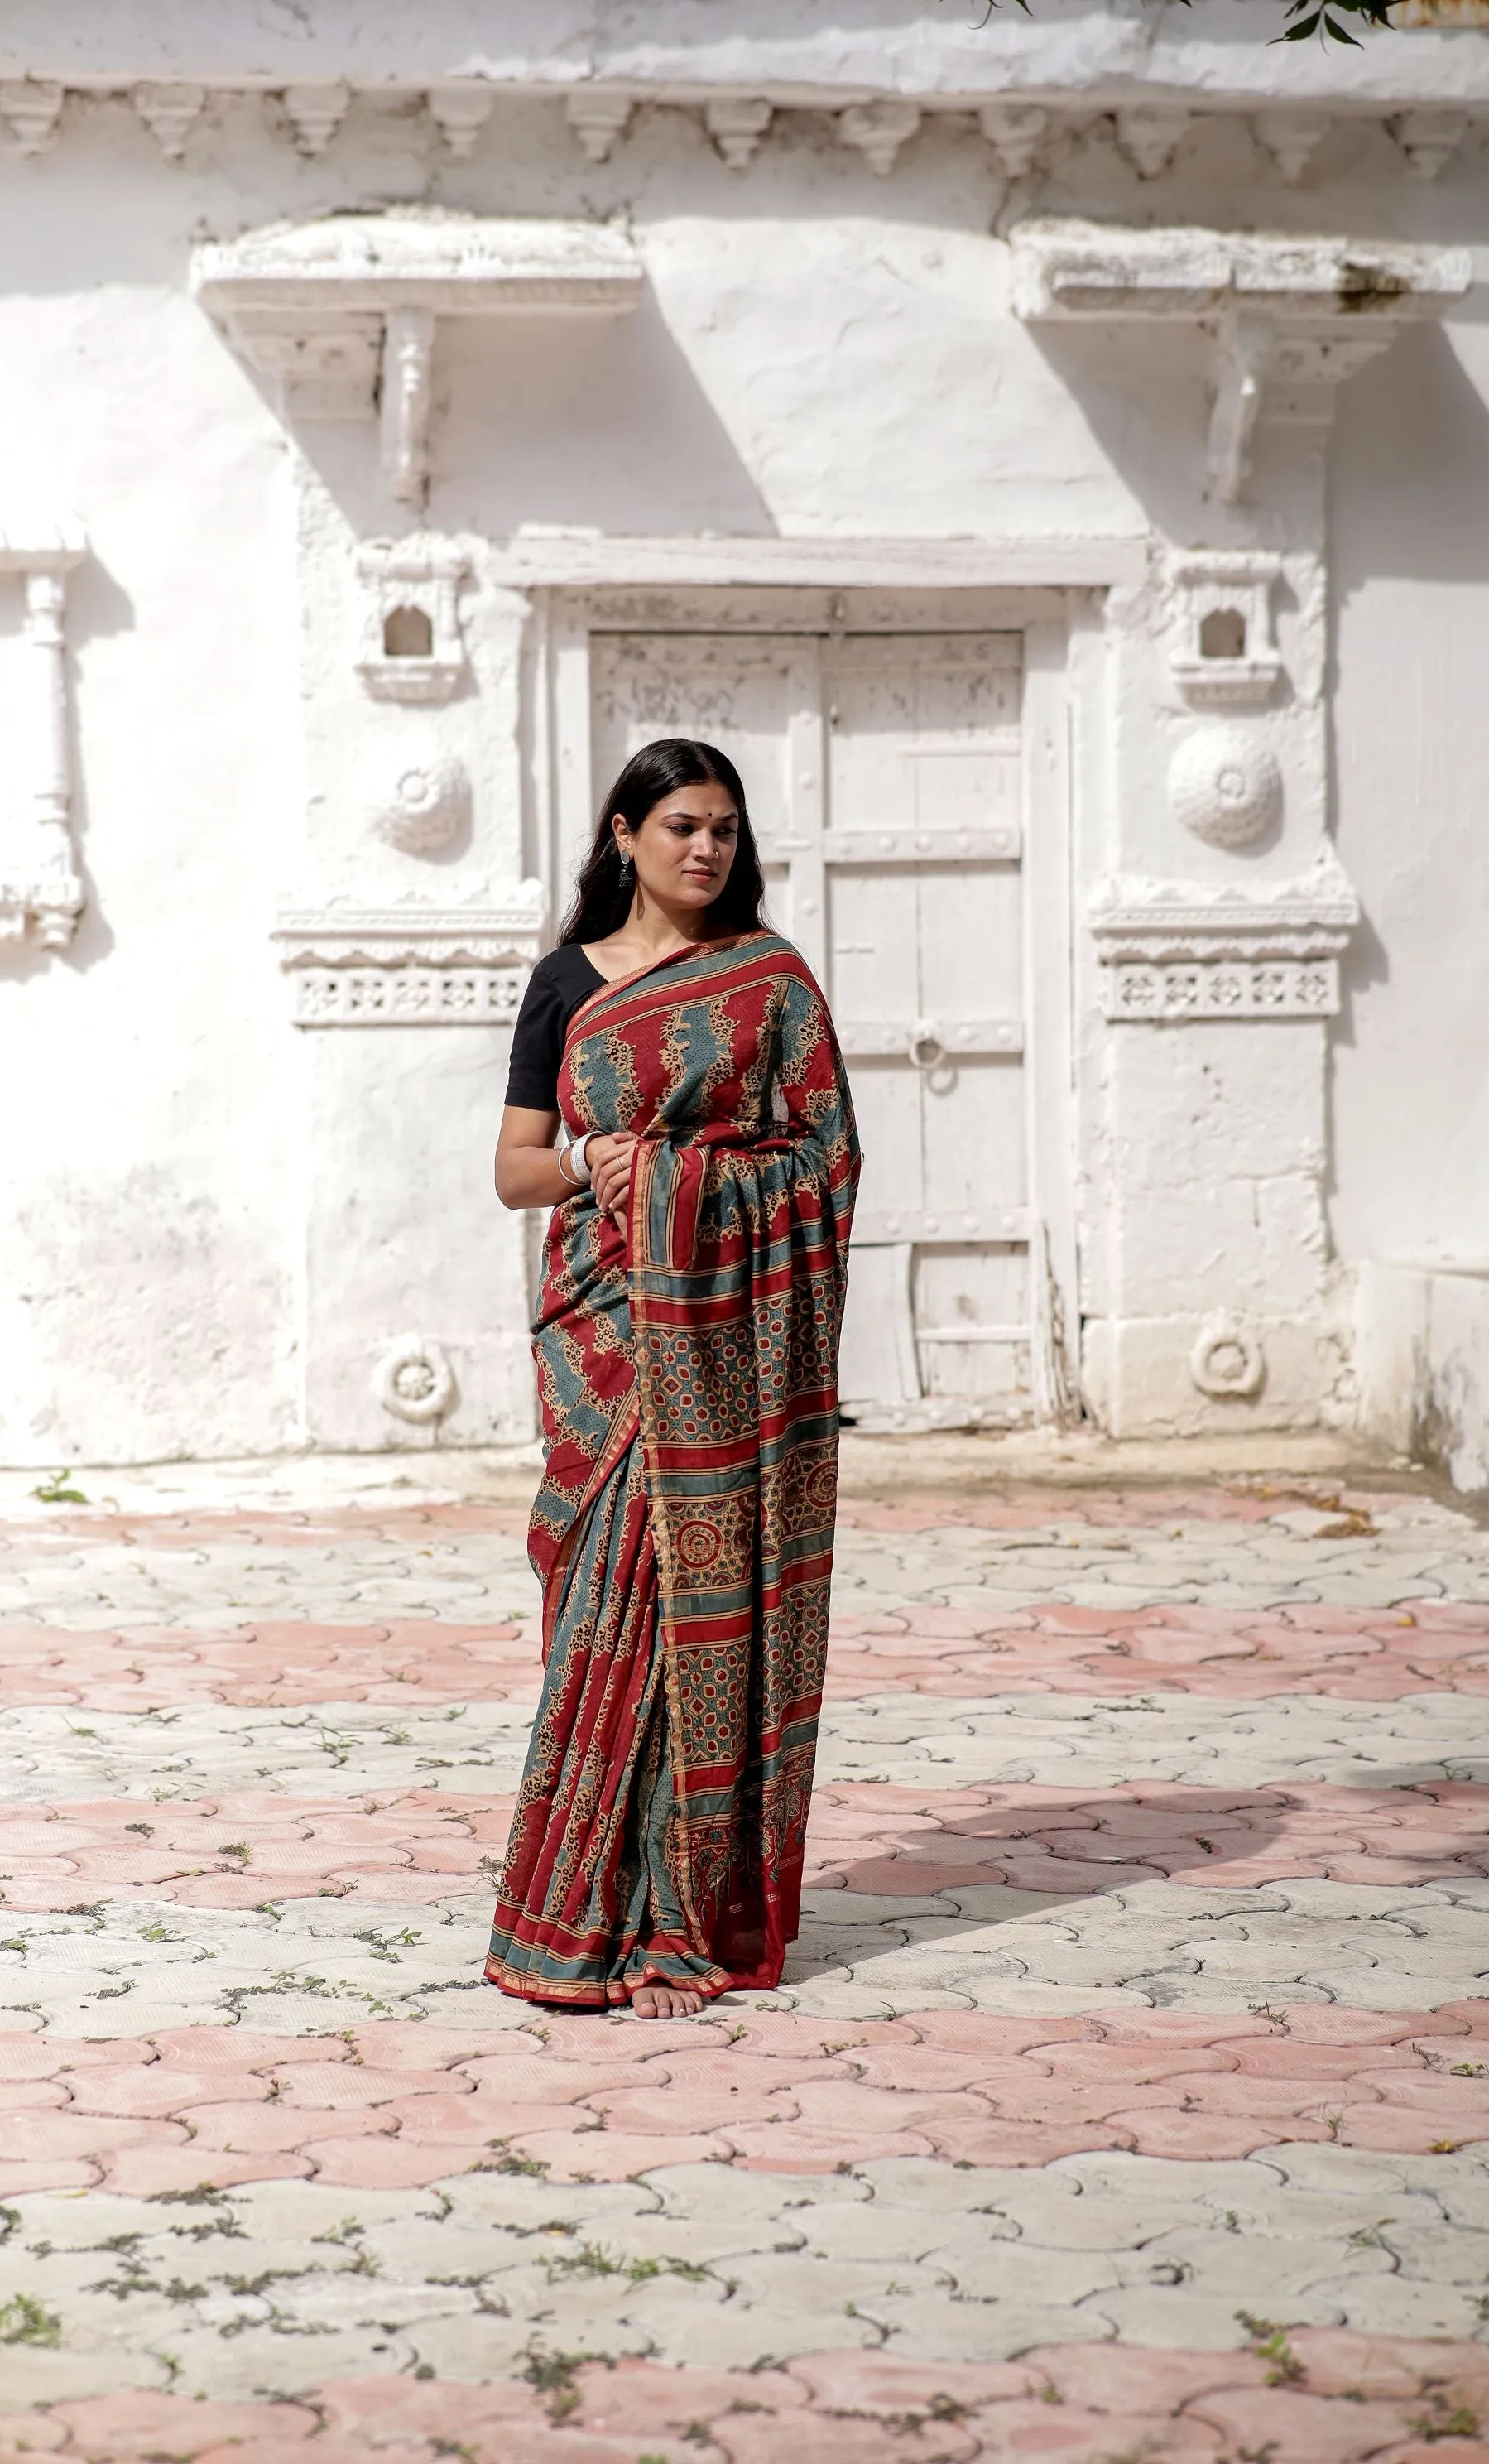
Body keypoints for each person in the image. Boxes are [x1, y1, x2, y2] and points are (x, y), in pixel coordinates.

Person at [488, 737, 860, 2017]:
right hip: (602, 1337)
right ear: (626, 835)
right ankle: (576, 1916)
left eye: (726, 830)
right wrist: (609, 1165)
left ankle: (673, 1921)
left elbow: (824, 1165)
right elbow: (517, 1169)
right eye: (685, 826)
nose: (709, 850)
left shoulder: (772, 988)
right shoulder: (562, 986)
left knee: (697, 1617)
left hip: (720, 1347)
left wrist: (683, 1181)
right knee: (606, 1607)